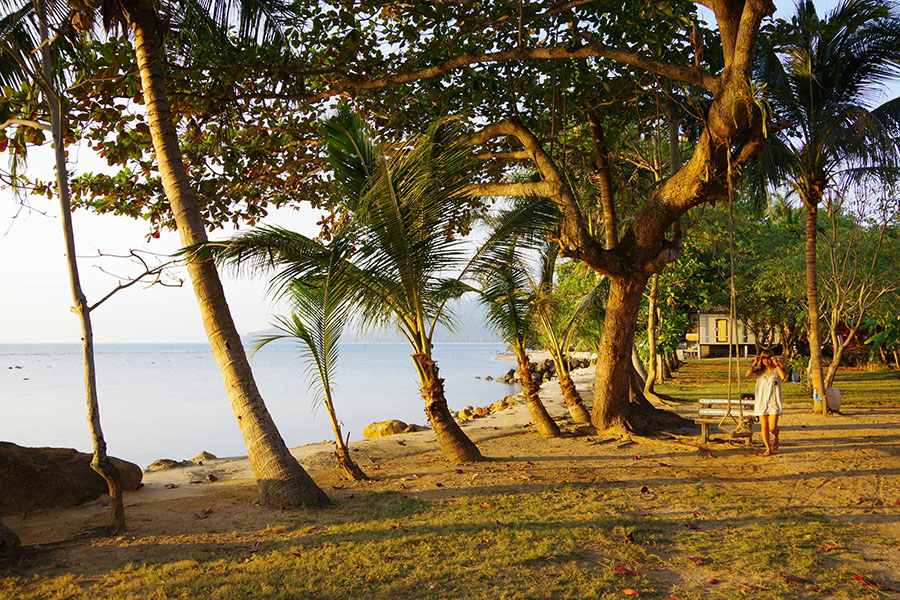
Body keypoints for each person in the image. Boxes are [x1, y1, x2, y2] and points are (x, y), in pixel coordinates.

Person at [745, 350, 786, 456]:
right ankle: (768, 449)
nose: (766, 360)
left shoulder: (777, 370)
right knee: (764, 427)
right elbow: (748, 375)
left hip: (774, 401)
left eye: (768, 358)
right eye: (764, 358)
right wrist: (754, 363)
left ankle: (776, 436)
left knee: (772, 427)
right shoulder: (759, 371)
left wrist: (776, 363)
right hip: (761, 401)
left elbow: (783, 376)